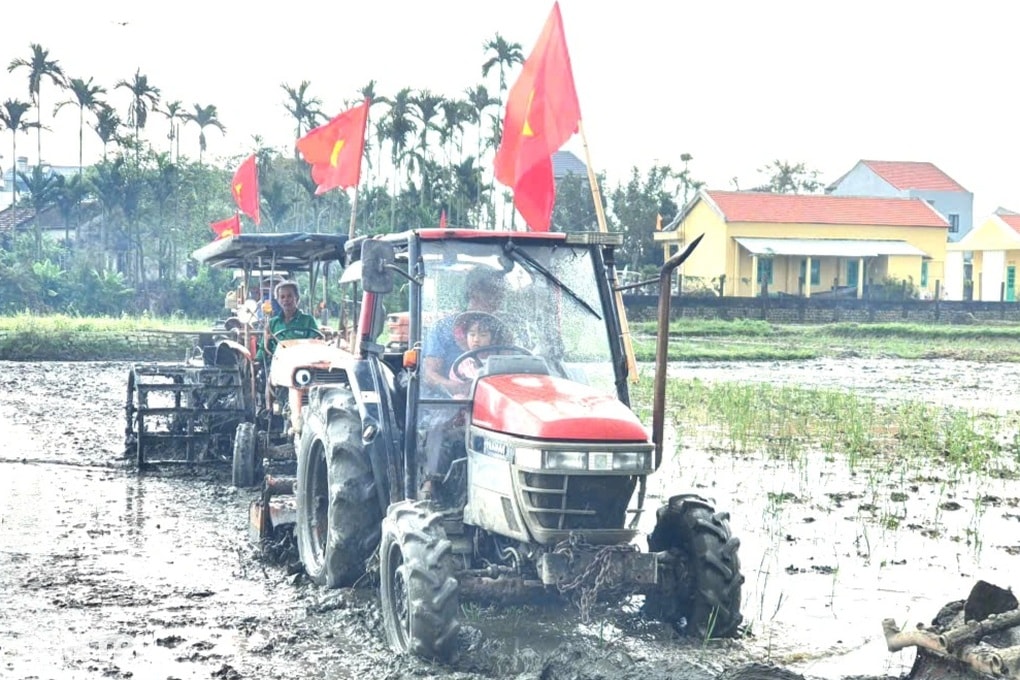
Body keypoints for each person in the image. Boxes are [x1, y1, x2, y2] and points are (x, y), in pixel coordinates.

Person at [422, 267, 505, 395]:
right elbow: (430, 374)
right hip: (448, 402)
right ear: (472, 296)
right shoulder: (442, 329)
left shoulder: (501, 331)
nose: (494, 304)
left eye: (496, 300)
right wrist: (459, 389)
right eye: (487, 299)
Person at [256, 281, 320, 363]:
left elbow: (316, 343)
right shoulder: (272, 323)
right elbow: (263, 348)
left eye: (289, 296)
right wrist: (257, 361)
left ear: (296, 298)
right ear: (278, 300)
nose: (286, 300)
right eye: (282, 297)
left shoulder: (308, 320)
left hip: (301, 364)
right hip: (276, 364)